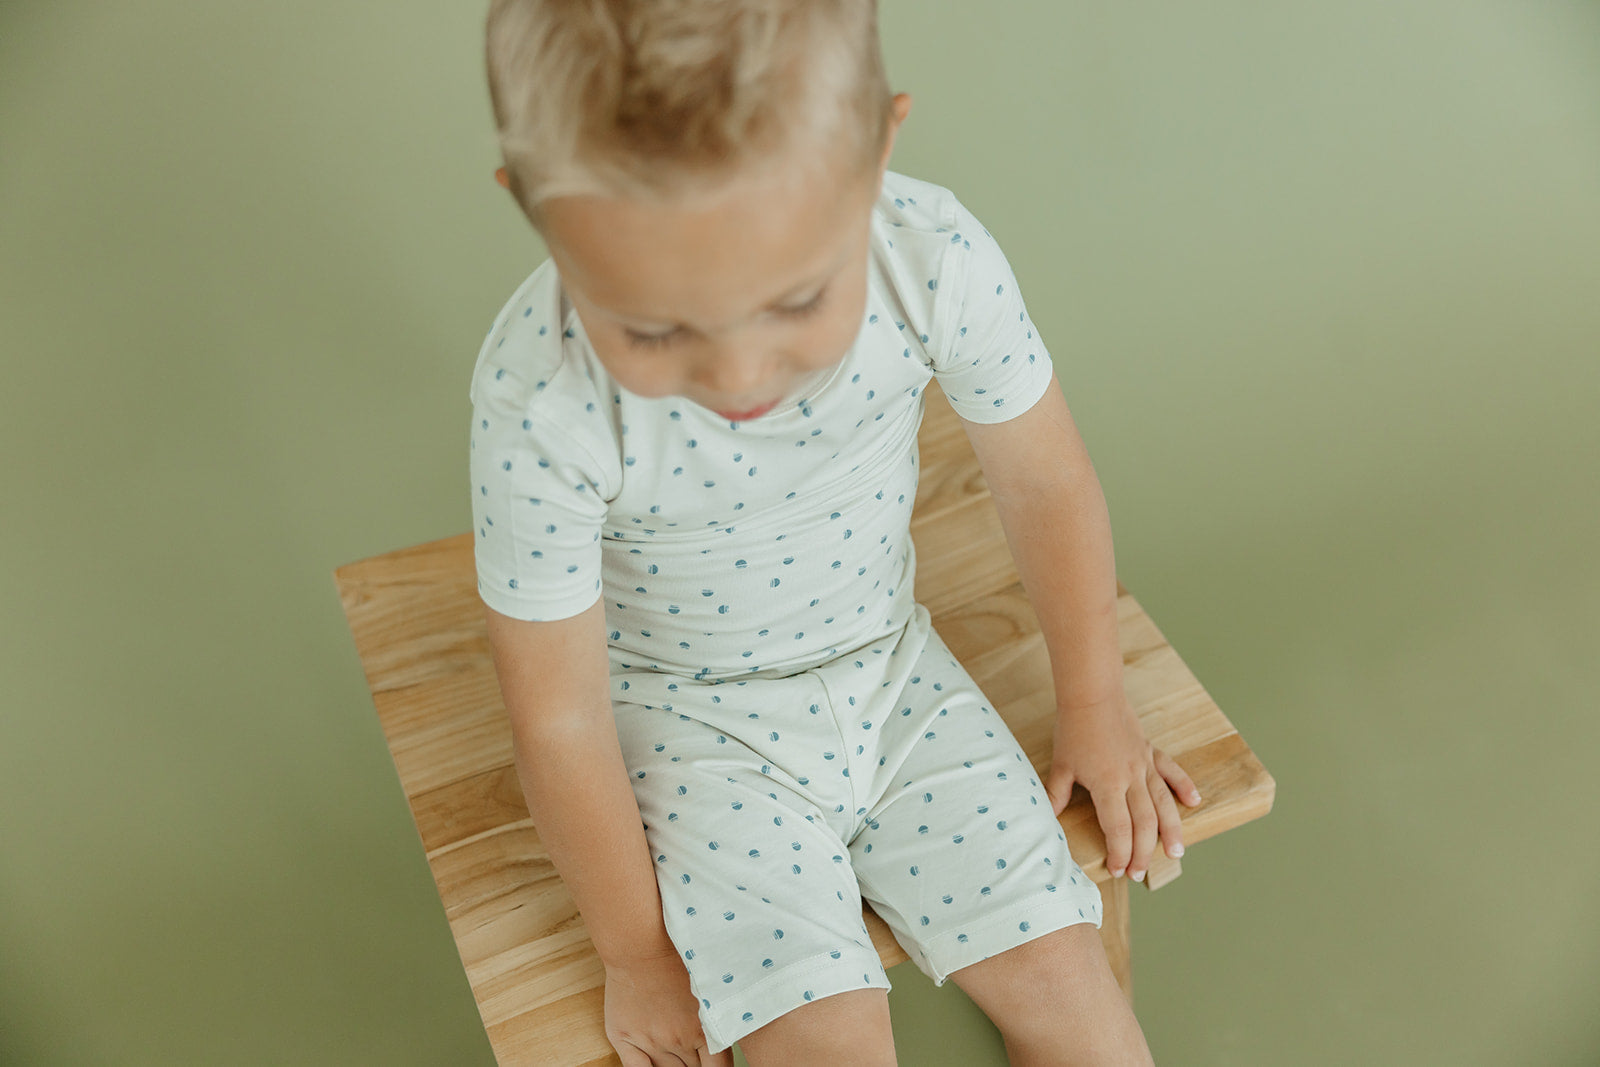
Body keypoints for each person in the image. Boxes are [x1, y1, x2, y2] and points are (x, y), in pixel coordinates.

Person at [470, 3, 1200, 1063]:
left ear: (878, 152)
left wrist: (1094, 703)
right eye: (654, 327)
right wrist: (636, 952)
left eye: (796, 298)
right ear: (536, 214)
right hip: (690, 730)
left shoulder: (931, 257)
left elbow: (1045, 482)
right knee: (822, 1043)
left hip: (894, 670)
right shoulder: (540, 404)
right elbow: (558, 718)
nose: (737, 374)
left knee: (1068, 986)